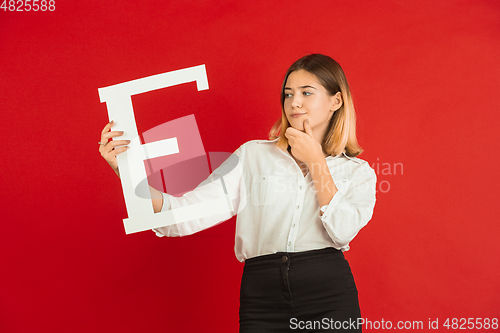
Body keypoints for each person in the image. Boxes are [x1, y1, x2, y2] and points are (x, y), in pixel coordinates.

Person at [99, 54, 377, 332]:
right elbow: (181, 217)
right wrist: (127, 172)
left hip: (328, 295)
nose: (294, 102)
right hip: (263, 298)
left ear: (335, 102)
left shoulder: (357, 172)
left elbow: (343, 231)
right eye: (288, 93)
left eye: (307, 93)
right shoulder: (253, 155)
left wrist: (316, 162)